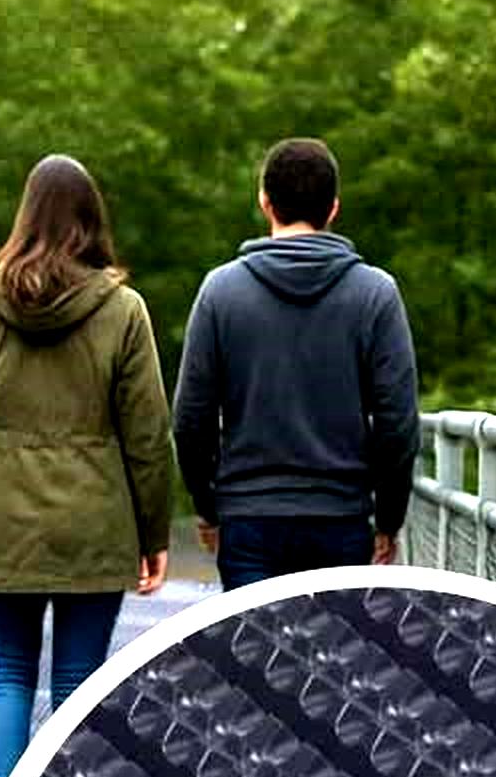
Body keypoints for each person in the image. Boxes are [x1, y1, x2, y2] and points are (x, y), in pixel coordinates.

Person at [0, 155, 173, 777]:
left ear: (25, 218)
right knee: (79, 680)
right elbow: (148, 435)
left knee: (9, 672)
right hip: (94, 522)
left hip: (0, 519)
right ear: (92, 221)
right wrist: (153, 534)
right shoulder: (123, 310)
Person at [173, 137, 420, 590]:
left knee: (256, 639)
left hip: (249, 520)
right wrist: (389, 519)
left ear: (264, 202)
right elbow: (398, 424)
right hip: (342, 518)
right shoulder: (376, 293)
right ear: (334, 208)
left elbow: (191, 419)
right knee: (337, 638)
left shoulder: (220, 291)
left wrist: (208, 506)